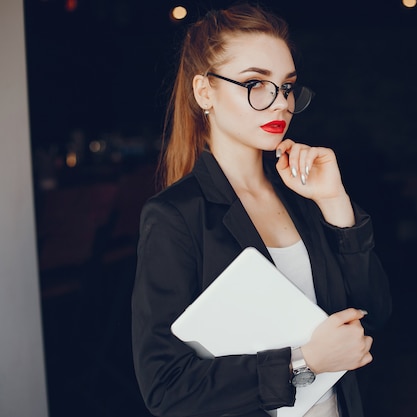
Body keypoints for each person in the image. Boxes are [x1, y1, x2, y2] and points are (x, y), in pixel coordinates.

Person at [131, 3, 392, 417]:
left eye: (287, 86)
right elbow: (167, 389)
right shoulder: (175, 217)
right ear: (204, 92)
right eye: (256, 83)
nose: (280, 103)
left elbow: (372, 317)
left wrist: (335, 203)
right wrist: (303, 360)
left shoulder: (301, 196)